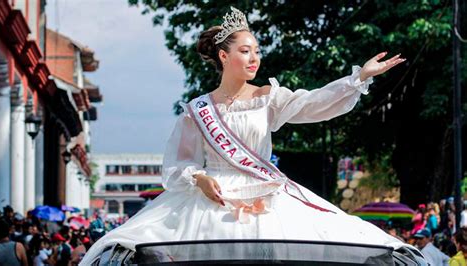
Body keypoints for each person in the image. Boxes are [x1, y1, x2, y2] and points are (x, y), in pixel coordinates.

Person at [81, 6, 411, 264]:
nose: (254, 58)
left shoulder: (268, 97)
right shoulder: (198, 110)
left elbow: (313, 104)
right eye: (245, 51)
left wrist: (357, 78)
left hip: (266, 194)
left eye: (256, 51)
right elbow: (180, 161)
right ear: (224, 56)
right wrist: (199, 179)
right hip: (210, 201)